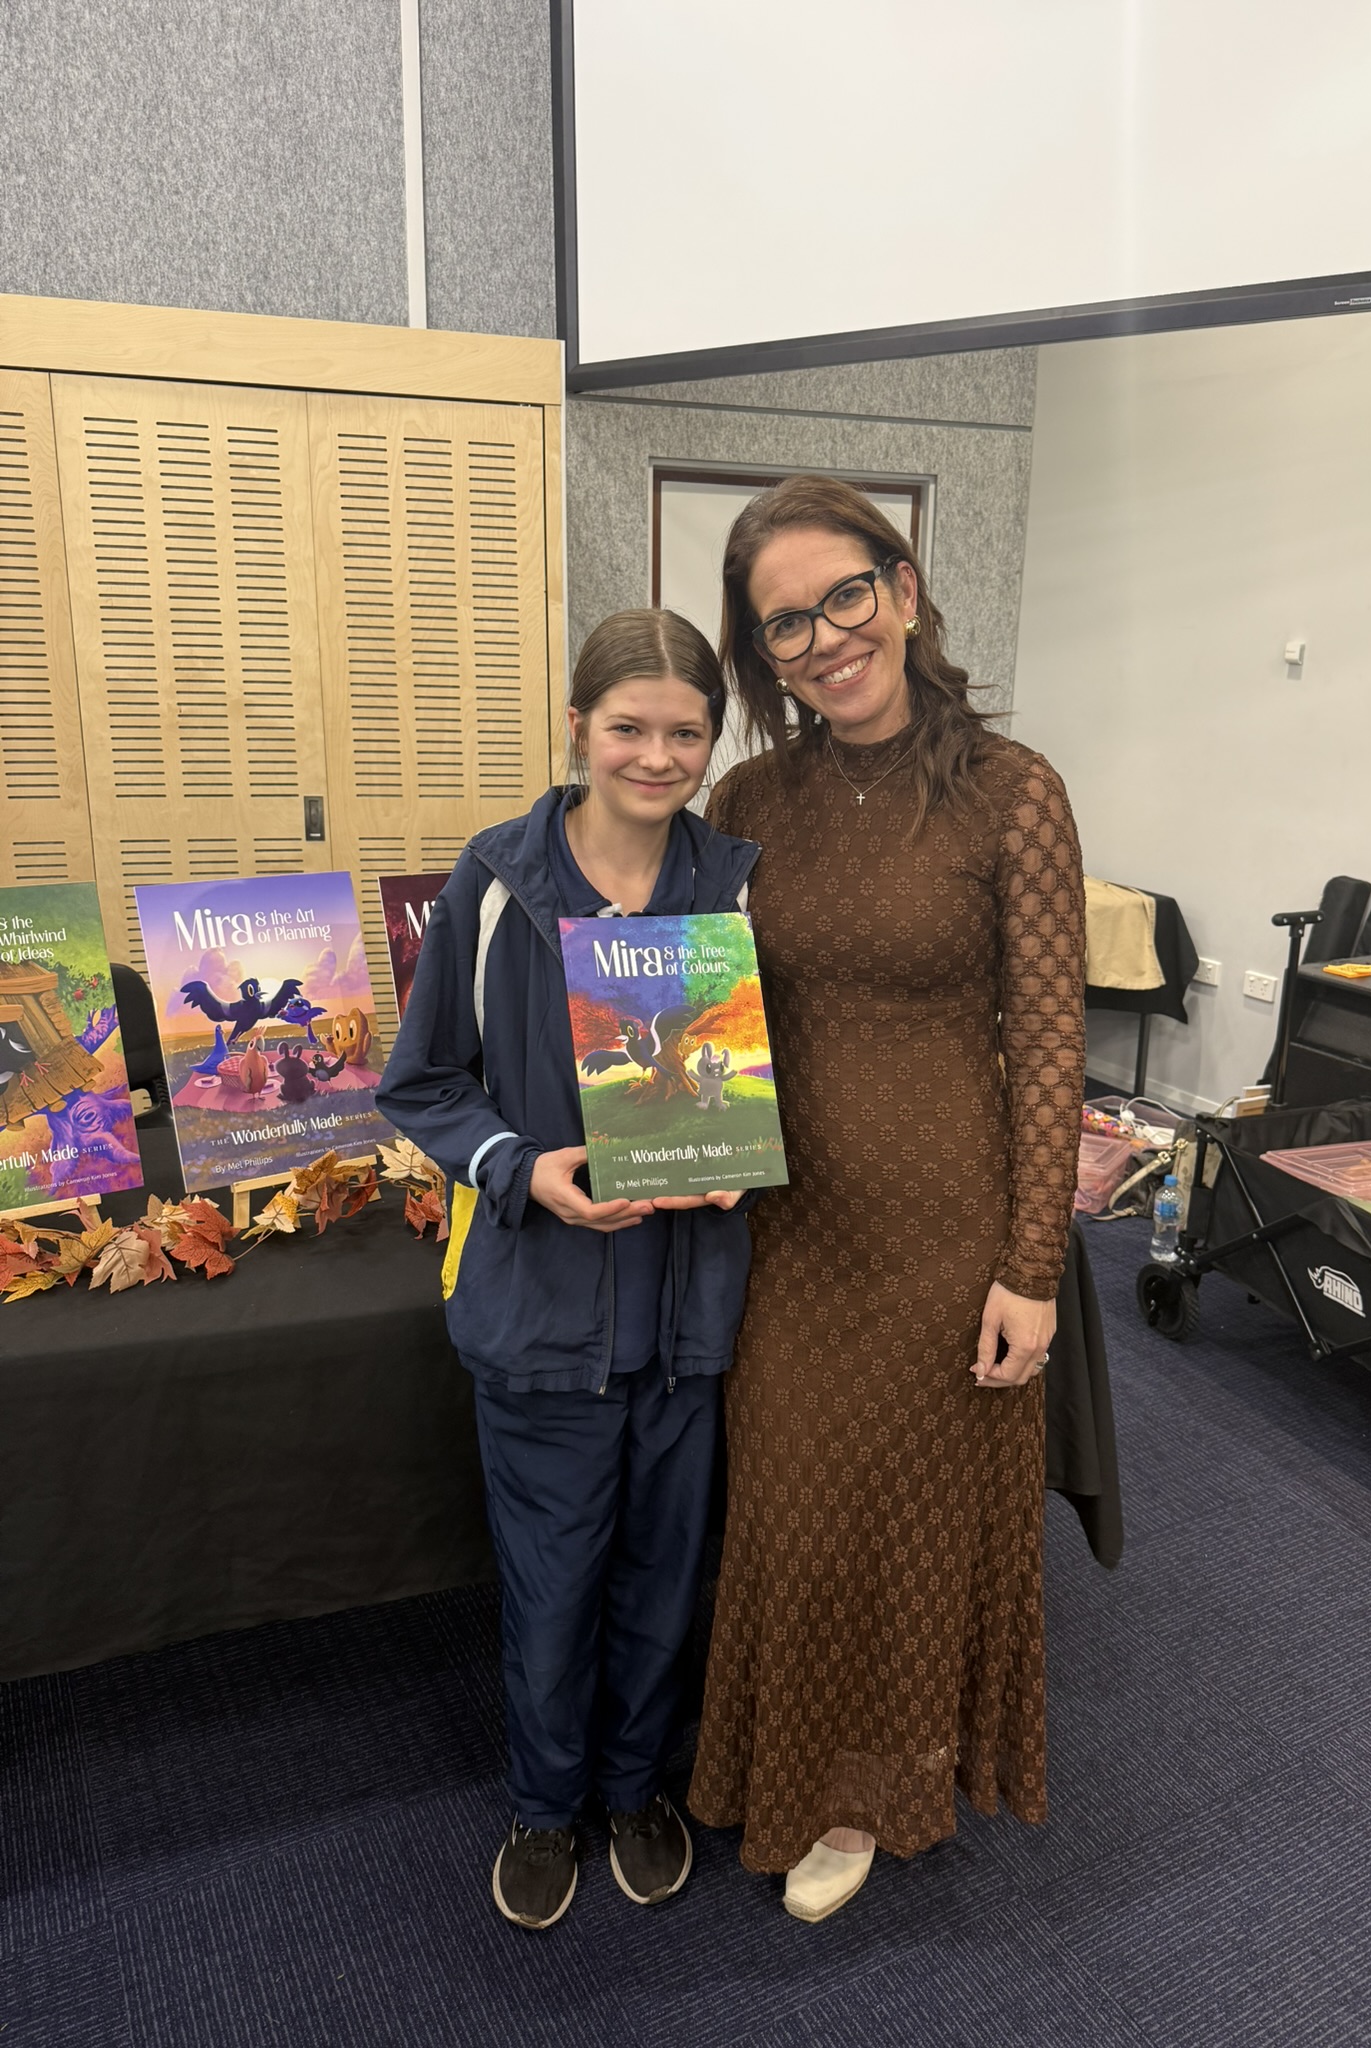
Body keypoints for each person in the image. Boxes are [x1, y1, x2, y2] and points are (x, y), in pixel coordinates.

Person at [687, 477, 1086, 1921]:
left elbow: (1050, 1040)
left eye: (843, 596)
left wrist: (1033, 1265)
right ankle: (783, 1757)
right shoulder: (748, 800)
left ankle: (871, 1790)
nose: (824, 638)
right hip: (786, 1229)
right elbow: (696, 1001)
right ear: (762, 653)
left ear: (904, 591)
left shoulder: (1014, 791)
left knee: (908, 1520)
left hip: (945, 1230)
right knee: (795, 1514)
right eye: (783, 623)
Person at [377, 610, 757, 1932]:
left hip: (690, 1309)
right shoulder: (495, 883)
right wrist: (519, 1168)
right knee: (551, 1587)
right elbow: (422, 1082)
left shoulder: (737, 885)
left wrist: (741, 1147)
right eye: (628, 728)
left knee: (662, 1577)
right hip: (540, 1311)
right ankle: (545, 1807)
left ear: (713, 740)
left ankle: (636, 1790)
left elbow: (765, 1075)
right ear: (580, 726)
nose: (656, 757)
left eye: (686, 733)